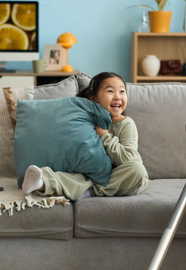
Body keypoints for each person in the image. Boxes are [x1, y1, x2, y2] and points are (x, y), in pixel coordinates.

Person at [21, 72, 149, 201]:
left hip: (117, 175)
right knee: (77, 177)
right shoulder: (85, 119)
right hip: (90, 173)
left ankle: (91, 191)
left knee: (137, 171)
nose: (117, 96)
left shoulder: (126, 124)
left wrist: (105, 136)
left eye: (122, 91)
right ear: (94, 98)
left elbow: (129, 158)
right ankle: (40, 182)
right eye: (110, 91)